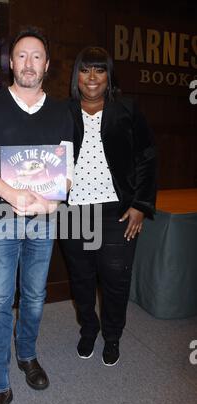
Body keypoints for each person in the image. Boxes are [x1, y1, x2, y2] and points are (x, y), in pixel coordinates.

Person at [0, 28, 74, 404]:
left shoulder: (63, 111)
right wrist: (15, 194)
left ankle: (26, 355)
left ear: (47, 64)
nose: (29, 63)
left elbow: (67, 172)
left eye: (37, 56)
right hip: (0, 221)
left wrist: (52, 199)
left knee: (35, 296)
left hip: (43, 221)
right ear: (11, 62)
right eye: (22, 56)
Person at [60, 46, 156, 367]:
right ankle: (89, 328)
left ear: (109, 76)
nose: (92, 77)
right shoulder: (62, 112)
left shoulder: (127, 109)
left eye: (99, 70)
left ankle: (112, 336)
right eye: (85, 70)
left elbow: (146, 157)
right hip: (74, 212)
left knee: (116, 279)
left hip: (117, 211)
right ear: (77, 76)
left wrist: (141, 204)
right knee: (82, 277)